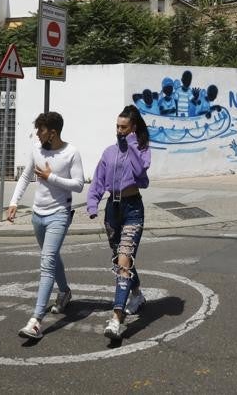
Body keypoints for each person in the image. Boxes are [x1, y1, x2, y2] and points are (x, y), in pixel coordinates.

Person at [6, 111, 84, 341]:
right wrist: (13, 202)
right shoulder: (36, 149)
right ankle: (65, 292)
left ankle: (36, 321)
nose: (37, 134)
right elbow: (25, 176)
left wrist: (52, 178)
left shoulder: (71, 153)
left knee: (47, 262)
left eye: (41, 130)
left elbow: (79, 185)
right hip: (37, 214)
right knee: (51, 256)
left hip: (59, 213)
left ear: (53, 132)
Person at [86, 105, 151, 341]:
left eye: (124, 127)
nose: (119, 131)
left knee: (124, 261)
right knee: (120, 259)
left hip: (133, 208)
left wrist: (132, 143)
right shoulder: (109, 152)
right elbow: (98, 180)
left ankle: (116, 319)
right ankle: (137, 294)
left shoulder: (141, 149)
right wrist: (92, 203)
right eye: (117, 126)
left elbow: (139, 171)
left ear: (133, 128)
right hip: (112, 210)